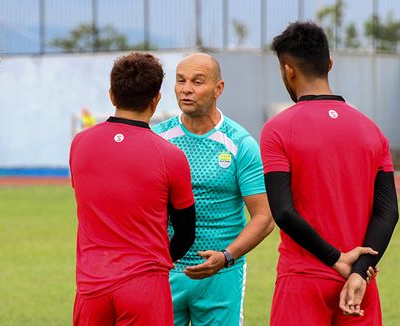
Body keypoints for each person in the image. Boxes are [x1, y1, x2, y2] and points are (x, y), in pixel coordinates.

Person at [261, 21, 398, 325]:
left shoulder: (277, 129)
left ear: (288, 70)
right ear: (329, 64)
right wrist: (360, 270)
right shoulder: (371, 130)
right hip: (359, 284)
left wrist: (336, 259)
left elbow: (283, 211)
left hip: (303, 280)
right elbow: (389, 211)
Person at [69, 52, 196, 326]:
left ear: (112, 94)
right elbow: (186, 234)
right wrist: (157, 260)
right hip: (145, 285)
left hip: (91, 285)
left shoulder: (79, 143)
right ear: (157, 99)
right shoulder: (171, 156)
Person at [153, 53, 274, 326]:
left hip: (221, 276)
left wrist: (226, 257)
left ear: (219, 88)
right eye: (180, 81)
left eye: (197, 82)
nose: (186, 89)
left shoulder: (240, 143)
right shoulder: (158, 139)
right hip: (164, 272)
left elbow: (264, 219)